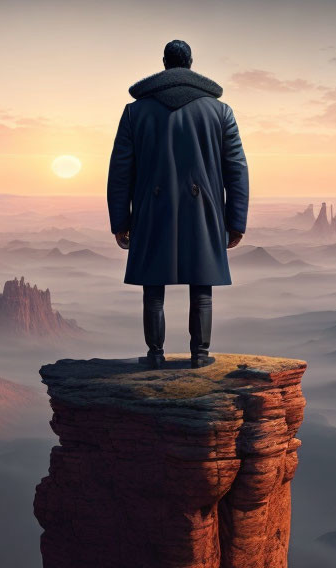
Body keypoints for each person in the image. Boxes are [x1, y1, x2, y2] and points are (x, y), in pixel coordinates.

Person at [107, 39, 249, 369]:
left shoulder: (135, 111)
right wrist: (236, 221)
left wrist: (121, 222)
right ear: (190, 63)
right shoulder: (219, 110)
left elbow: (120, 170)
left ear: (165, 63)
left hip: (150, 210)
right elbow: (236, 168)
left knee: (153, 290)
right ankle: (200, 357)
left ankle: (155, 355)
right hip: (203, 210)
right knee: (201, 288)